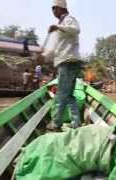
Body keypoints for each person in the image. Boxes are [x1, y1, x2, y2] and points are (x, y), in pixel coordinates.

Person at [36, 0, 82, 130]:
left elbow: (76, 30)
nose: (53, 11)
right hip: (67, 62)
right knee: (69, 95)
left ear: (61, 8)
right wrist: (43, 57)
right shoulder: (59, 25)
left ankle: (56, 123)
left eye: (54, 8)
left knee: (61, 94)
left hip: (68, 61)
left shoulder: (69, 19)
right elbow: (54, 49)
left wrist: (58, 27)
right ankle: (76, 122)